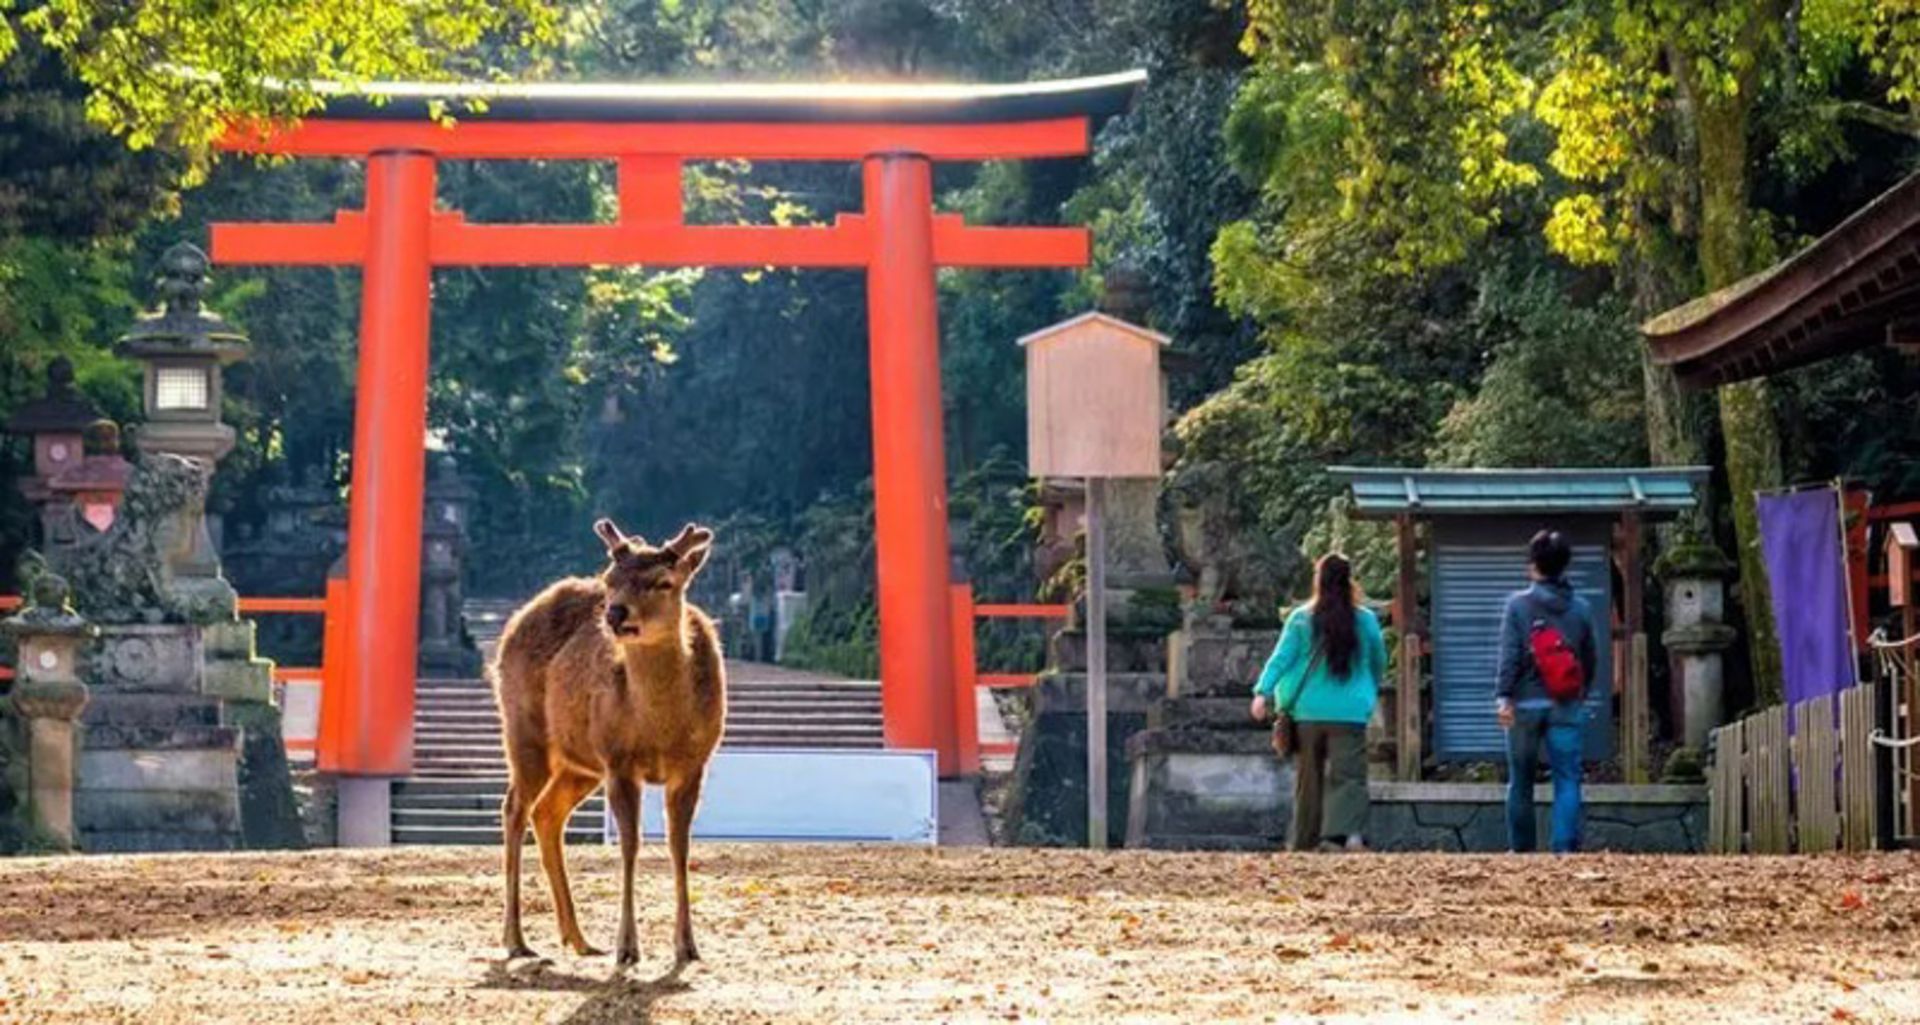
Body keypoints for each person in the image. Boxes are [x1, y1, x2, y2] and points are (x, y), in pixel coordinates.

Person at [1250, 553, 1387, 852]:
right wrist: (1368, 689)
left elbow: (1282, 658)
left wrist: (1263, 692)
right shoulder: (1365, 619)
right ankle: (1340, 836)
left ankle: (1305, 839)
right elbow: (1378, 661)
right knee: (1348, 776)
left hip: (1307, 712)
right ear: (1349, 580)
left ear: (1318, 580)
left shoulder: (1301, 618)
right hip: (1350, 711)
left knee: (1308, 778)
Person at [1496, 529, 1599, 854]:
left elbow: (1510, 655)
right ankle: (1564, 849)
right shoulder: (1580, 608)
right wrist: (1581, 692)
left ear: (1533, 566)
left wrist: (1504, 696)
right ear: (1564, 566)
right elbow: (1589, 656)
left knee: (1520, 781)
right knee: (1567, 778)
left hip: (1525, 703)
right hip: (1565, 702)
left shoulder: (1518, 606)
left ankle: (1522, 850)